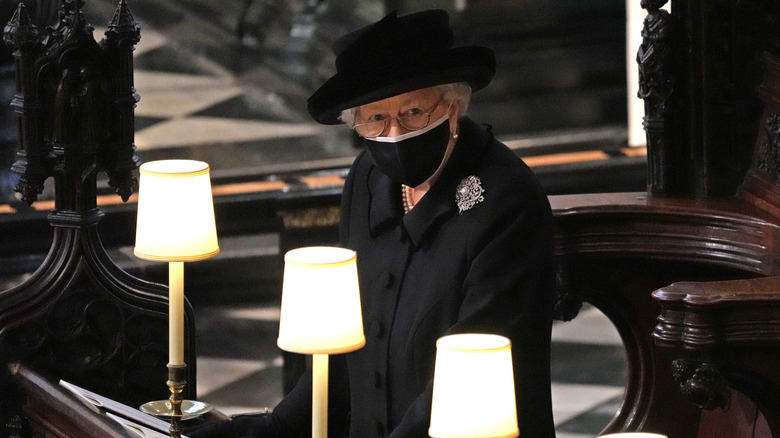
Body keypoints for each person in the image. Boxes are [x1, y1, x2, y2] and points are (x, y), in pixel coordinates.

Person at [189, 8, 556, 438]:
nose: (395, 132)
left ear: (453, 106)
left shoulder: (506, 198)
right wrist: (269, 429)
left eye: (415, 111)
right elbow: (345, 350)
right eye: (375, 118)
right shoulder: (367, 179)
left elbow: (470, 386)